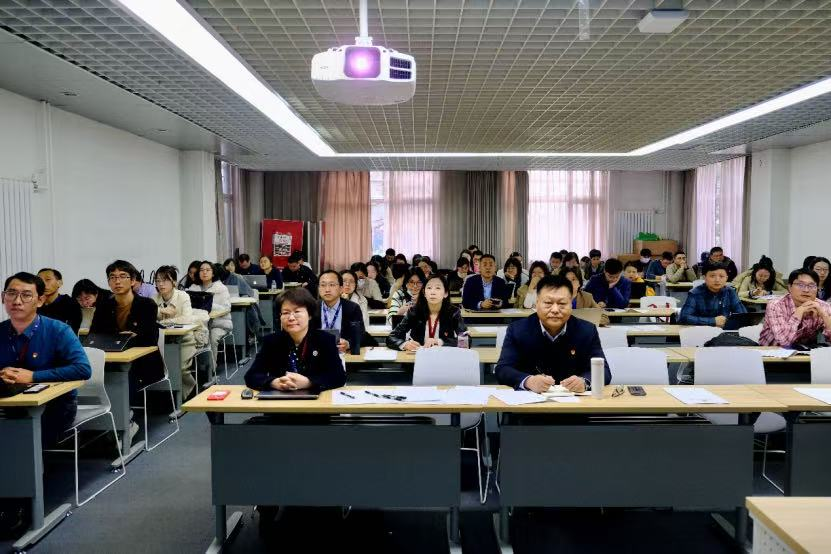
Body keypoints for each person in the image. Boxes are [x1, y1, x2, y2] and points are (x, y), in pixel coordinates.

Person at [1, 272, 92, 445]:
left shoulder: (58, 330)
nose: (17, 301)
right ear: (2, 298)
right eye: (11, 293)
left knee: (20, 440)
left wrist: (33, 376)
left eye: (26, 295)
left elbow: (83, 369)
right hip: (7, 403)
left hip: (53, 406)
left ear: (40, 301)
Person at [495, 274, 611, 392]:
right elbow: (503, 369)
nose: (555, 310)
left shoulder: (587, 330)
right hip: (531, 400)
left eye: (562, 304)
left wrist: (584, 382)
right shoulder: (517, 330)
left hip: (575, 399)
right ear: (537, 303)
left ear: (571, 304)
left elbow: (604, 371)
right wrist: (528, 381)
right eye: (548, 303)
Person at [91, 260, 164, 434]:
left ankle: (125, 421)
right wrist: (125, 337)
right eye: (112, 277)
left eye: (123, 276)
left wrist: (122, 340)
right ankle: (104, 419)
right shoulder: (104, 306)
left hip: (142, 362)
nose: (117, 281)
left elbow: (149, 338)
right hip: (110, 360)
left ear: (132, 281)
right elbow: (95, 336)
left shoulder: (147, 305)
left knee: (124, 375)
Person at [244, 288, 345, 392]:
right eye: (285, 313)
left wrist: (309, 382)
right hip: (280, 397)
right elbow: (251, 376)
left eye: (297, 311)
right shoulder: (271, 341)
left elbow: (339, 377)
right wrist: (273, 382)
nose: (291, 318)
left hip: (315, 398)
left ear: (309, 315)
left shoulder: (325, 340)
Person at [152, 265, 205, 398]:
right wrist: (161, 310)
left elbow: (187, 318)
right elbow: (148, 318)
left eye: (165, 280)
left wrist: (165, 322)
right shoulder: (154, 299)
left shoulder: (183, 296)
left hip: (185, 340)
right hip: (162, 342)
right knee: (160, 369)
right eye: (158, 281)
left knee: (180, 368)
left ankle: (189, 393)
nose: (161, 284)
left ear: (174, 282)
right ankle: (171, 396)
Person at [387, 275, 467, 350]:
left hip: (443, 356)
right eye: (429, 288)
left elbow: (466, 340)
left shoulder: (453, 312)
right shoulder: (414, 312)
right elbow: (391, 337)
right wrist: (404, 344)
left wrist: (439, 342)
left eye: (438, 288)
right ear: (424, 293)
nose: (433, 292)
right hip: (418, 356)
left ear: (445, 293)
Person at [759, 268, 831, 347]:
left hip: (804, 352)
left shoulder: (823, 306)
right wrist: (799, 312)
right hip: (771, 351)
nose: (806, 290)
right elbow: (784, 341)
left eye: (811, 285)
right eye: (800, 285)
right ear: (790, 287)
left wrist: (824, 315)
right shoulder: (776, 305)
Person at [188, 261, 232, 367]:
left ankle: (211, 369)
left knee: (212, 336)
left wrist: (208, 305)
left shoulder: (221, 288)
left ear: (213, 273)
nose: (204, 272)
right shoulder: (193, 288)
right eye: (202, 270)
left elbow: (227, 308)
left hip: (219, 323)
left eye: (208, 270)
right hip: (200, 324)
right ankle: (196, 368)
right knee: (189, 337)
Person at [679, 262, 745, 327]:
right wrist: (713, 321)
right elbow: (684, 317)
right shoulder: (695, 293)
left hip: (724, 331)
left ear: (726, 278)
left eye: (721, 276)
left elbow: (743, 315)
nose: (717, 280)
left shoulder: (730, 292)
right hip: (702, 331)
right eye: (712, 276)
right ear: (705, 278)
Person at [315, 270, 364, 354]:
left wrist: (348, 344)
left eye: (332, 285)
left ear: (341, 289)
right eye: (323, 285)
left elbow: (361, 335)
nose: (327, 289)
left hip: (343, 355)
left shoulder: (352, 308)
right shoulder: (312, 308)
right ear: (318, 288)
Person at [36, 268, 82, 333]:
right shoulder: (33, 304)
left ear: (59, 283)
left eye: (48, 279)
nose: (43, 284)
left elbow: (71, 331)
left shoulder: (71, 304)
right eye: (40, 281)